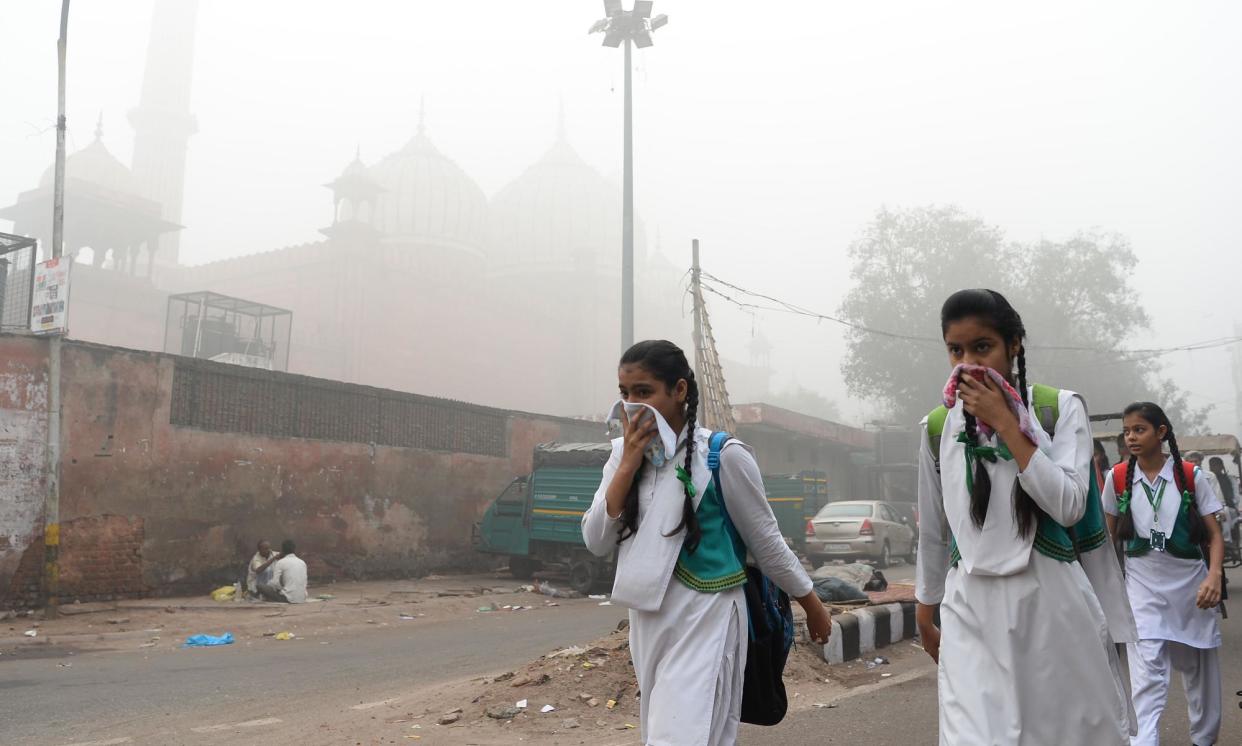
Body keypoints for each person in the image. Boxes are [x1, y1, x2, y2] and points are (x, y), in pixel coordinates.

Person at [582, 340, 831, 745]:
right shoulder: (620, 457)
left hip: (709, 613)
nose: (631, 405)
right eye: (625, 394)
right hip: (647, 618)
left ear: (679, 390)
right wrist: (627, 463)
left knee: (681, 735)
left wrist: (812, 604)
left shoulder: (723, 456)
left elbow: (766, 543)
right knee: (679, 732)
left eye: (644, 392)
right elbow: (595, 539)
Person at [915, 289, 1134, 745]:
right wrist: (925, 606)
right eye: (956, 350)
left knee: (1060, 733)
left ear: (1014, 344)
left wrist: (1008, 425)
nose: (968, 362)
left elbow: (1070, 505)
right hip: (969, 607)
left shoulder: (1058, 409)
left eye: (983, 347)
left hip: (1050, 605)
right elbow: (934, 529)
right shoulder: (937, 426)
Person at [1101, 403, 1225, 746]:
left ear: (1161, 433)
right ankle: (1144, 741)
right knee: (1147, 674)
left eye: (1139, 429)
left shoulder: (1190, 476)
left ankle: (1204, 739)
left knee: (1199, 674)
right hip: (1142, 590)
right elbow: (1107, 539)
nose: (1131, 437)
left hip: (1192, 589)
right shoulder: (1118, 478)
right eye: (1127, 431)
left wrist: (1214, 576)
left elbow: (1214, 535)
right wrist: (1105, 589)